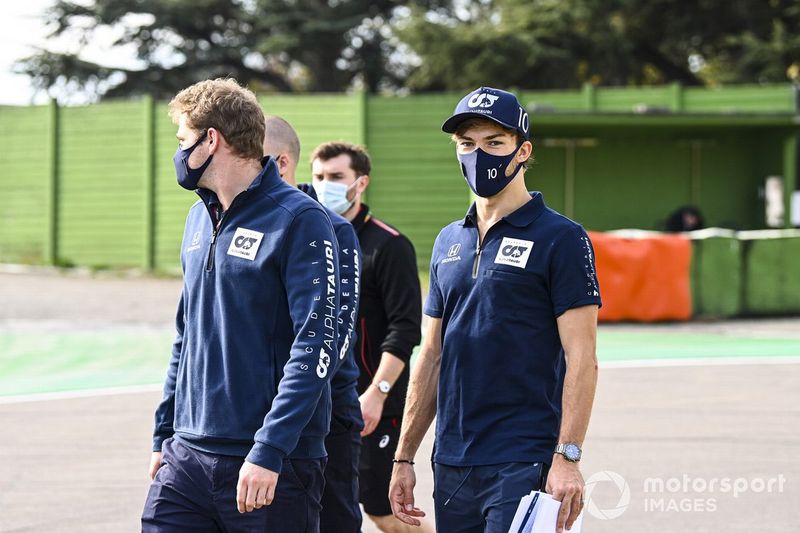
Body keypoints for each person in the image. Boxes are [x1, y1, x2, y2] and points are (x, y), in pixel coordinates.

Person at [388, 86, 602, 533]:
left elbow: (582, 357)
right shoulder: (448, 240)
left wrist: (568, 457)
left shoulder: (562, 238)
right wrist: (404, 456)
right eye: (467, 143)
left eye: (494, 142)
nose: (478, 155)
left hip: (523, 458)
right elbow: (431, 355)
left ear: (523, 151)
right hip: (451, 459)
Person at [142, 79, 340, 532]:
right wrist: (164, 433)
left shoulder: (299, 218)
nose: (178, 153)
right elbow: (186, 333)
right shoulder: (197, 217)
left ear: (211, 140)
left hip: (269, 462)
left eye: (183, 140)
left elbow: (317, 343)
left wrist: (270, 448)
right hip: (186, 455)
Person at [310, 142, 432, 533]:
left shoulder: (389, 246)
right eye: (318, 176)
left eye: (336, 177)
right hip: (319, 405)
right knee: (319, 509)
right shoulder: (310, 239)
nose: (324, 185)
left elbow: (405, 329)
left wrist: (377, 394)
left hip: (373, 405)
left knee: (383, 511)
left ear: (360, 183)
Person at [263, 115, 364, 533]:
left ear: (281, 163)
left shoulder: (334, 229)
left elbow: (336, 335)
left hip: (328, 412)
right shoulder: (240, 222)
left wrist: (293, 395)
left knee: (335, 520)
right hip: (264, 415)